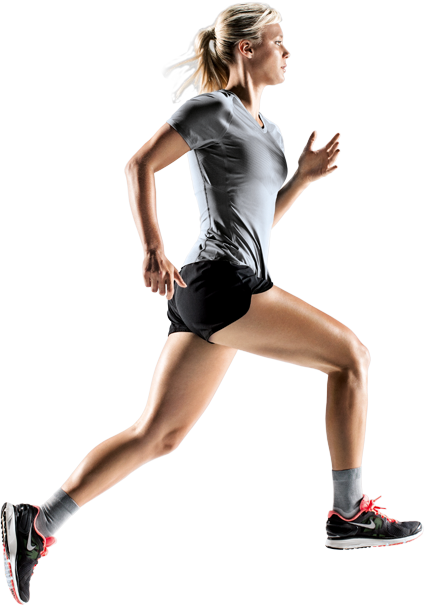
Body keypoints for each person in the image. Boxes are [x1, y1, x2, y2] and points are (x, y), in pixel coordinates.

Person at [2, 1, 422, 605]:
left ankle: (38, 524)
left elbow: (258, 223)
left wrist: (301, 179)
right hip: (221, 282)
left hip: (219, 287)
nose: (287, 51)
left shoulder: (270, 133)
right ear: (247, 49)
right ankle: (349, 512)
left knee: (158, 434)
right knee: (351, 357)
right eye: (278, 40)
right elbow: (141, 163)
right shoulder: (213, 110)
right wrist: (153, 247)